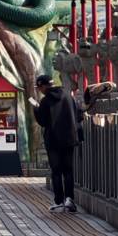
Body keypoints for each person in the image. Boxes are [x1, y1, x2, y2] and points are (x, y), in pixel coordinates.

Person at [33, 74, 83, 212]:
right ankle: (70, 200)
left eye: (39, 87)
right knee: (68, 170)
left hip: (53, 140)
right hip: (69, 139)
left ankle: (59, 201)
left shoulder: (45, 101)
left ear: (44, 86)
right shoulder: (68, 96)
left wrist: (36, 109)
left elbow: (42, 121)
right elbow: (79, 115)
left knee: (56, 171)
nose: (39, 90)